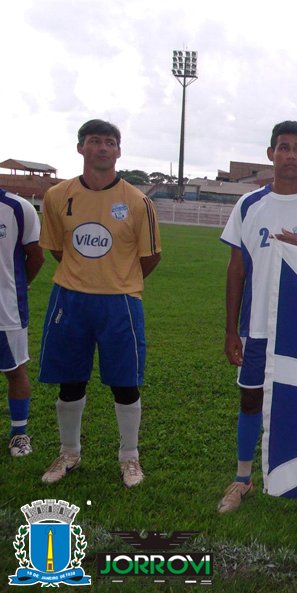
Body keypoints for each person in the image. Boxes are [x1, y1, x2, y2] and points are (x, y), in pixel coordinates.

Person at [218, 120, 297, 514]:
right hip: (257, 325)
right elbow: (236, 269)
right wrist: (230, 330)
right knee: (250, 398)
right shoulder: (249, 204)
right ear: (271, 153)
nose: (290, 154)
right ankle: (242, 479)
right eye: (283, 147)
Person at [38, 119, 161, 488]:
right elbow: (58, 248)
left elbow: (150, 258)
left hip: (120, 302)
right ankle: (69, 452)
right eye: (95, 141)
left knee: (125, 383)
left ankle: (129, 457)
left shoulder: (139, 202)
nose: (103, 148)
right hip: (70, 299)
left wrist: (115, 278)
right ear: (81, 148)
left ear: (119, 151)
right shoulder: (57, 196)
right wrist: (83, 276)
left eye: (110, 142)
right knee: (70, 380)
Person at [1, 189, 44, 456]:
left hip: (6, 310)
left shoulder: (18, 207)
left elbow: (36, 255)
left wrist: (21, 285)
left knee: (15, 370)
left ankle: (19, 433)